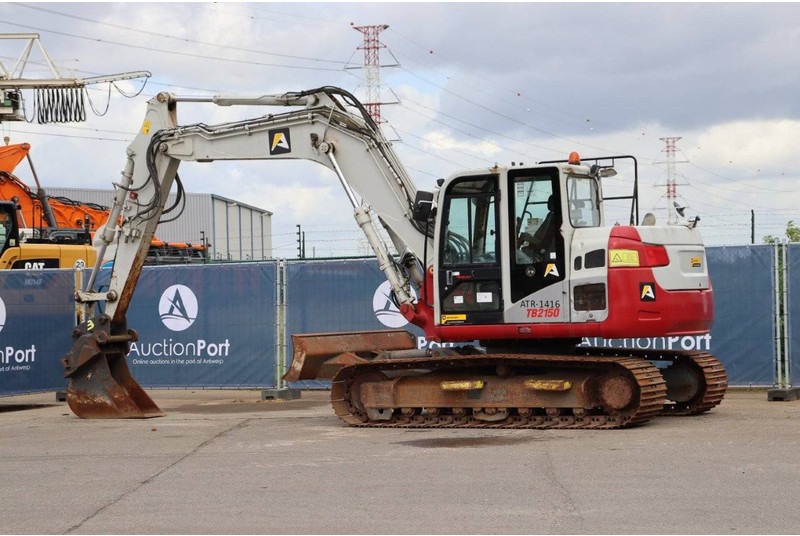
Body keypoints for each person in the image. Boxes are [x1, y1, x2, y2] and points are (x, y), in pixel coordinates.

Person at [517, 194, 557, 263]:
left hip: (542, 242)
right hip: (540, 239)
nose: (548, 205)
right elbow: (542, 230)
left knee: (523, 236)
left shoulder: (554, 217)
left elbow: (548, 235)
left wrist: (541, 246)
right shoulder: (550, 215)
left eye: (550, 203)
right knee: (523, 235)